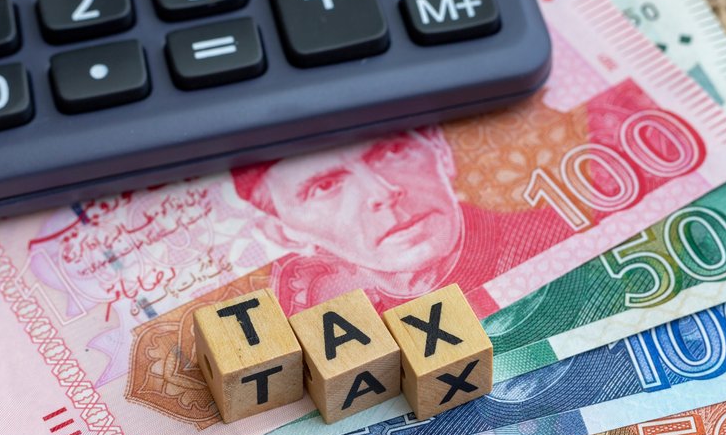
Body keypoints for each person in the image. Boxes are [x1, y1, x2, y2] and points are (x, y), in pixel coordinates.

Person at [230, 128, 565, 313]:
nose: (384, 191)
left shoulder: (558, 242)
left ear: (441, 153)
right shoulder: (332, 318)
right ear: (285, 235)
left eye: (390, 152)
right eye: (326, 186)